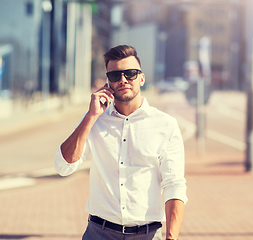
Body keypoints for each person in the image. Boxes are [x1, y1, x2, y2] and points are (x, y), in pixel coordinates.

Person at [54, 45, 187, 240]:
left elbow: (174, 184)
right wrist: (91, 117)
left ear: (141, 78)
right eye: (115, 75)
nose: (123, 79)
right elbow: (63, 166)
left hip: (148, 235)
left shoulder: (165, 125)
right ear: (108, 82)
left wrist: (172, 237)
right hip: (99, 233)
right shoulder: (93, 121)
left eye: (130, 73)